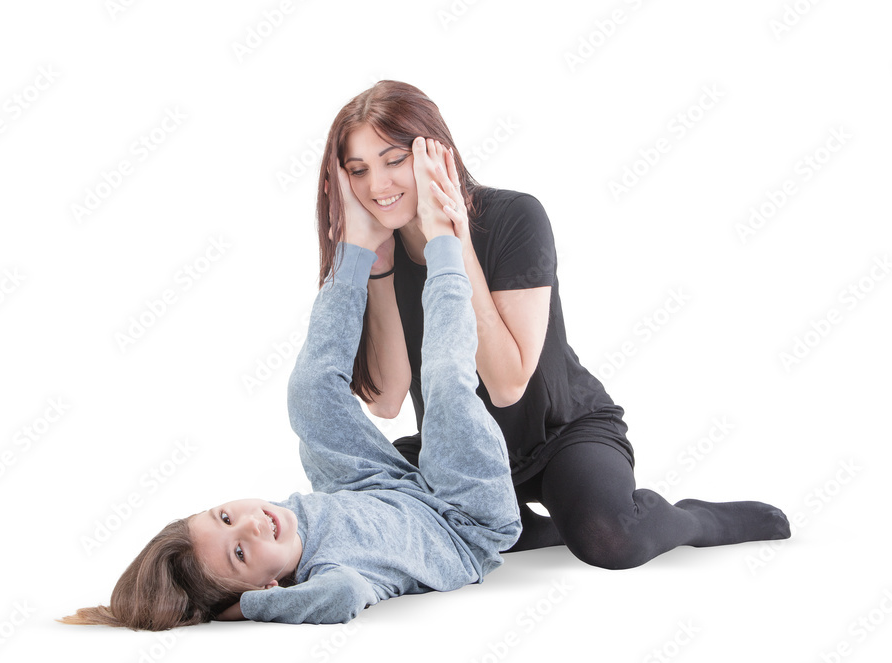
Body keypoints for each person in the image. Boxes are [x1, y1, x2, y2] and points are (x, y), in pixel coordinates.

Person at [316, 80, 791, 569]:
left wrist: (450, 243)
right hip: (461, 447)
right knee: (378, 509)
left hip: (560, 433)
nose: (377, 186)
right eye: (359, 170)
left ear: (438, 155)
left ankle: (698, 520)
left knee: (610, 541)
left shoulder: (515, 216)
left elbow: (507, 384)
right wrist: (375, 261)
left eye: (394, 161)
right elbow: (388, 399)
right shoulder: (379, 252)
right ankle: (532, 528)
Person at [59, 177, 522, 630]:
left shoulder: (277, 525)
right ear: (268, 587)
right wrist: (244, 610)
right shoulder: (331, 573)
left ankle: (356, 249)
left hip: (376, 486)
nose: (251, 524)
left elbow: (298, 480)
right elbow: (341, 599)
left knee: (309, 394)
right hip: (463, 522)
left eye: (224, 516)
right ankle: (446, 244)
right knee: (442, 381)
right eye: (239, 552)